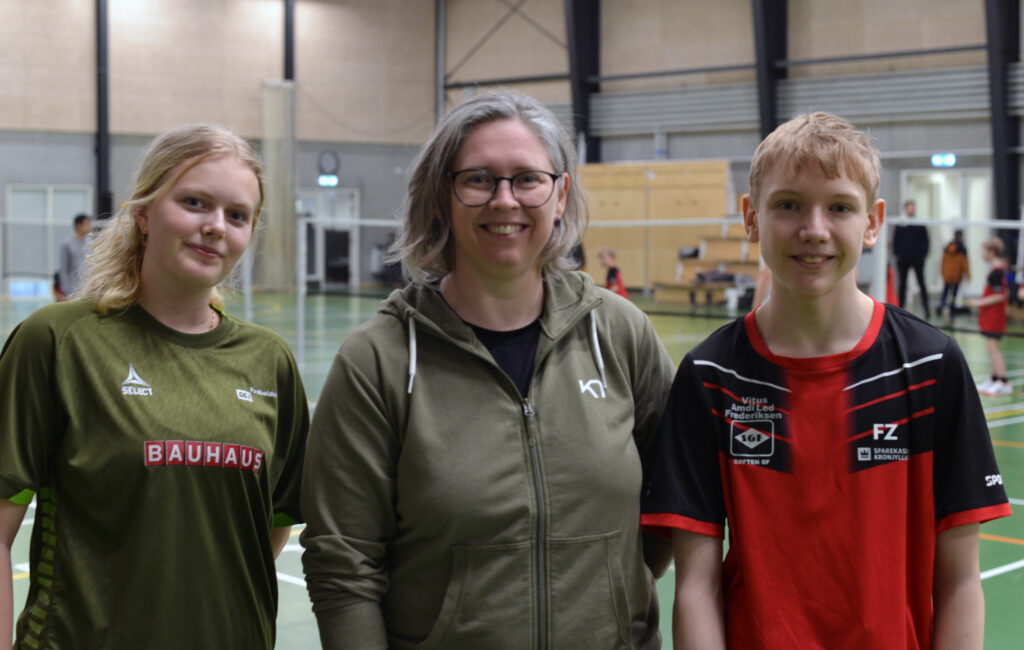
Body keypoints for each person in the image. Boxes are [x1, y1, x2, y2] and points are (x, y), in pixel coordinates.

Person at [301, 90, 674, 649]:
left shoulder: (620, 334)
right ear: (440, 198)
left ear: (560, 194)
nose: (506, 200)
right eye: (478, 180)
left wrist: (613, 604)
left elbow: (668, 504)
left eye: (527, 179)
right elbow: (343, 567)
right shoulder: (378, 361)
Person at [641, 112, 1011, 649]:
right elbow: (695, 586)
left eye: (838, 207)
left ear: (872, 222)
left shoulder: (930, 367)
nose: (813, 229)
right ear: (751, 217)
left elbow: (958, 581)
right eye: (788, 204)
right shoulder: (711, 376)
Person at [0, 124, 309, 649]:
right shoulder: (56, 341)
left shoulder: (269, 362)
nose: (216, 226)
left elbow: (271, 524)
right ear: (143, 213)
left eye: (237, 215)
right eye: (194, 202)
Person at [969, 237, 1011, 396]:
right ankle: (994, 379)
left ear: (991, 252)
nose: (982, 254)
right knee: (990, 347)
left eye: (984, 250)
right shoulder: (996, 270)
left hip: (995, 316)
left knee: (994, 348)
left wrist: (979, 302)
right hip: (990, 316)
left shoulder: (997, 271)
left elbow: (999, 296)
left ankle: (1004, 381)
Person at [893, 199, 931, 318]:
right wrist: (898, 254)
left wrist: (922, 255)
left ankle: (926, 310)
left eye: (913, 207)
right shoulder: (901, 224)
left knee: (921, 284)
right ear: (905, 209)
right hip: (903, 259)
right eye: (909, 207)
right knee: (902, 285)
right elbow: (896, 241)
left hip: (917, 259)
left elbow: (926, 241)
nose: (911, 209)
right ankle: (900, 310)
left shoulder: (919, 224)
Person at [55, 213, 92, 301]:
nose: (90, 227)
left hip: (88, 289)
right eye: (87, 224)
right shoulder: (67, 244)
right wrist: (66, 291)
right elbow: (63, 268)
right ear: (78, 226)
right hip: (73, 290)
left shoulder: (90, 243)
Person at [939, 229, 970, 323]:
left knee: (945, 293)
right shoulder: (962, 249)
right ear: (961, 236)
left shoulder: (947, 247)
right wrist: (968, 275)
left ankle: (944, 307)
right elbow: (965, 264)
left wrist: (943, 273)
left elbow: (943, 262)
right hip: (956, 276)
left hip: (947, 275)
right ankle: (951, 312)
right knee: (953, 296)